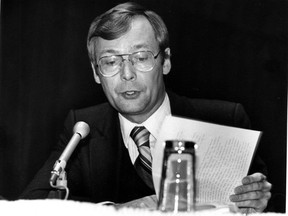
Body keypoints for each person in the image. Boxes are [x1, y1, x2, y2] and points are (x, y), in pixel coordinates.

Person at [20, 2, 272, 213]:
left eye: (140, 58)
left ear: (165, 62)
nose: (127, 74)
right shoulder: (83, 129)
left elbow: (270, 198)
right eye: (110, 62)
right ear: (96, 73)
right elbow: (31, 206)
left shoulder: (223, 119)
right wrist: (122, 210)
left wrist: (258, 200)